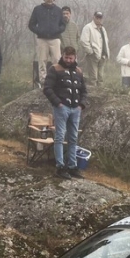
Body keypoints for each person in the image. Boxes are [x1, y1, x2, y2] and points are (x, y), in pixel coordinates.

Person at [43, 46, 87, 180]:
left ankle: (72, 166)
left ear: (75, 58)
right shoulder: (55, 69)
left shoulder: (79, 71)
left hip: (76, 109)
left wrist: (81, 105)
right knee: (60, 137)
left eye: (71, 58)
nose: (68, 60)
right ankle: (60, 167)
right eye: (66, 57)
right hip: (62, 108)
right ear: (62, 56)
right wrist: (58, 103)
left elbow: (84, 91)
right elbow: (47, 88)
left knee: (73, 138)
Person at [28, 0, 65, 86]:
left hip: (55, 39)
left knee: (57, 60)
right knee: (42, 60)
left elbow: (63, 25)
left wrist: (57, 30)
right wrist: (40, 31)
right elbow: (31, 25)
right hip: (42, 39)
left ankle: (57, 78)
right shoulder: (37, 9)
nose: (49, 0)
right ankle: (43, 80)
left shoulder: (58, 10)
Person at [80, 11, 110, 86]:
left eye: (100, 18)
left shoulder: (103, 29)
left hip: (102, 55)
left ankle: (100, 94)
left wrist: (107, 53)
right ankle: (93, 94)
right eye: (97, 17)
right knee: (93, 77)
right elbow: (83, 41)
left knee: (101, 77)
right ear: (94, 17)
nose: (99, 19)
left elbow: (106, 41)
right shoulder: (88, 27)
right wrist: (90, 51)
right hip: (93, 55)